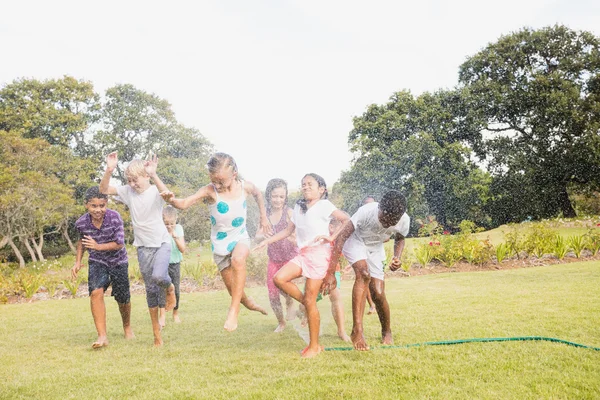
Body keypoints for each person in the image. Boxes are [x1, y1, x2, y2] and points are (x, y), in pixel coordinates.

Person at [161, 152, 270, 332]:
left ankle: (233, 311)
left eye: (221, 181)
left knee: (238, 260)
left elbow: (259, 194)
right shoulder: (209, 190)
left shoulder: (245, 187)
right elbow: (184, 203)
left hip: (240, 236)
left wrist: (263, 218)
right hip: (219, 245)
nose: (217, 185)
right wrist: (171, 199)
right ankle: (248, 303)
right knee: (235, 291)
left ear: (234, 174)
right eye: (214, 180)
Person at [254, 173, 349, 358]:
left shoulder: (324, 205)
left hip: (319, 256)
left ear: (321, 190)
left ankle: (314, 346)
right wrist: (267, 241)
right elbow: (288, 230)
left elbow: (346, 220)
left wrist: (331, 237)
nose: (305, 187)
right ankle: (306, 302)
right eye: (303, 184)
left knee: (311, 301)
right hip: (303, 255)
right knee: (279, 278)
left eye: (310, 184)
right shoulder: (299, 207)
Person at [100, 152, 176, 347]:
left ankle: (170, 288)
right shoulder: (128, 192)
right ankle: (157, 336)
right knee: (150, 289)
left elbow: (167, 194)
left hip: (161, 244)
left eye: (135, 180)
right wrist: (109, 170)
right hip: (143, 247)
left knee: (159, 276)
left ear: (146, 177)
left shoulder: (155, 192)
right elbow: (103, 189)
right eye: (129, 181)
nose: (132, 184)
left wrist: (155, 175)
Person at [320, 190, 409, 351]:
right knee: (363, 273)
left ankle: (386, 331)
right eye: (385, 218)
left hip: (375, 247)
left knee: (378, 292)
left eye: (393, 220)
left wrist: (397, 257)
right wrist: (331, 272)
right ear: (379, 209)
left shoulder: (403, 220)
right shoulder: (366, 212)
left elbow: (400, 238)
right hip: (355, 241)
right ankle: (357, 330)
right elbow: (341, 238)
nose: (389, 223)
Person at [71, 186, 134, 348]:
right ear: (86, 205)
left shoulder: (115, 218)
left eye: (102, 206)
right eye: (94, 206)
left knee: (123, 298)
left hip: (118, 261)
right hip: (97, 261)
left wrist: (98, 246)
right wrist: (78, 261)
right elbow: (82, 241)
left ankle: (127, 327)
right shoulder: (81, 223)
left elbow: (119, 244)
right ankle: (102, 336)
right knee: (95, 292)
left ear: (106, 204)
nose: (98, 210)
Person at [255, 178, 298, 333]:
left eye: (281, 196)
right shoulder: (264, 215)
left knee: (284, 289)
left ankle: (290, 302)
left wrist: (288, 237)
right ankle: (281, 322)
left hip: (290, 258)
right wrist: (263, 236)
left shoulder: (289, 213)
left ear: (285, 197)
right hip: (274, 259)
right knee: (272, 294)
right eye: (274, 196)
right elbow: (257, 237)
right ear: (269, 196)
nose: (278, 200)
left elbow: (297, 236)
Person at [158, 206, 186, 328]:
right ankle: (162, 316)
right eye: (166, 223)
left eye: (172, 223)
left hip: (174, 263)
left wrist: (175, 236)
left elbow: (182, 249)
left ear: (176, 220)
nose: (169, 226)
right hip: (162, 264)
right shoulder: (159, 229)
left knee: (176, 290)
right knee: (162, 290)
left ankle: (175, 313)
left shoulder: (178, 229)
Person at [361, 195, 377, 315]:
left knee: (375, 282)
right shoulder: (361, 221)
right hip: (363, 253)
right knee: (364, 278)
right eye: (367, 204)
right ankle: (372, 305)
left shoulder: (379, 220)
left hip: (375, 254)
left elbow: (386, 238)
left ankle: (377, 302)